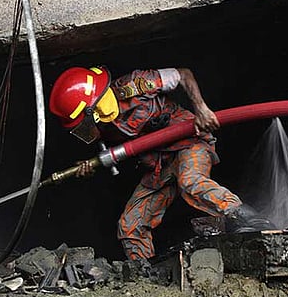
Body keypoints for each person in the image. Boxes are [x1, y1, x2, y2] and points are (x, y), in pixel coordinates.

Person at [48, 66, 274, 273]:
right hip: (159, 164)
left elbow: (183, 74)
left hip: (188, 142)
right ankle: (146, 273)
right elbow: (119, 152)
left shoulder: (137, 84)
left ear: (92, 108)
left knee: (190, 181)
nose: (84, 127)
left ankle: (252, 221)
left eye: (81, 121)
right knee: (130, 224)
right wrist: (90, 165)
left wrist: (201, 109)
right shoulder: (102, 125)